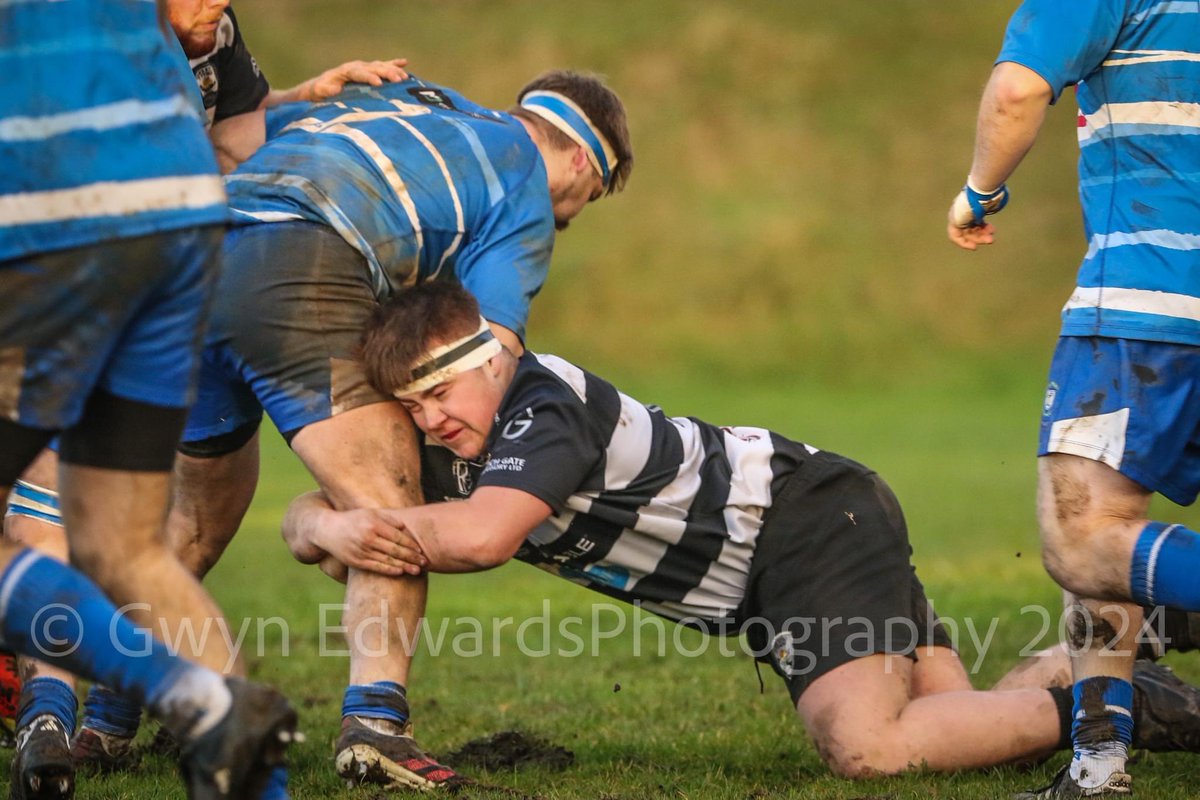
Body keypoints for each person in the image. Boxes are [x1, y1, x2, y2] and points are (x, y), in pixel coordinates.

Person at [282, 281, 1200, 784]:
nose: (431, 422)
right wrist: (323, 517)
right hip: (798, 535)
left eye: (439, 394)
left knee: (870, 750)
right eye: (412, 408)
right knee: (942, 725)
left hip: (803, 528)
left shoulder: (540, 407)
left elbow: (479, 539)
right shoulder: (466, 436)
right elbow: (318, 526)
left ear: (489, 355)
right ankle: (1121, 644)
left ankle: (1127, 709)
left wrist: (347, 527)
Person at [64, 67, 633, 790]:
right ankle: (376, 724)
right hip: (293, 261)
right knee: (388, 504)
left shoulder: (415, 99)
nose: (570, 216)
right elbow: (485, 359)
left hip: (190, 264)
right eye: (584, 201)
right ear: (583, 159)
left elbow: (235, 138)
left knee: (193, 526)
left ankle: (106, 724)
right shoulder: (521, 177)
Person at [2, 1, 409, 792]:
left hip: (69, 258)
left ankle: (63, 711)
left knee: (49, 515)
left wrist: (298, 105)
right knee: (126, 548)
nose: (218, 5)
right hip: (173, 260)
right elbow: (221, 142)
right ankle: (228, 732)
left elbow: (225, 135)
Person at [946, 0, 1200, 796]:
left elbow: (1018, 92)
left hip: (1150, 304)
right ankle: (1098, 762)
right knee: (1109, 551)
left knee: (1083, 538)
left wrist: (978, 190)